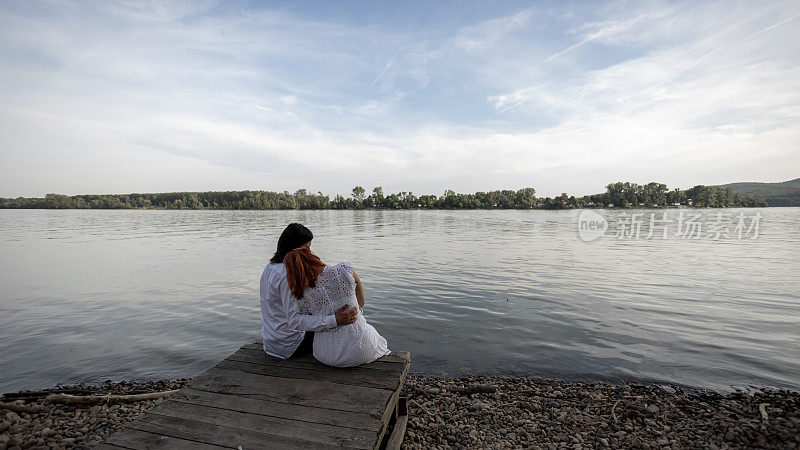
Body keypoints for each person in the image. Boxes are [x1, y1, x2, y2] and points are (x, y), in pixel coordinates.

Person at [259, 223, 358, 359]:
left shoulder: (270, 266)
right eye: (306, 248)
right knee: (337, 325)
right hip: (291, 345)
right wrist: (334, 320)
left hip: (271, 341)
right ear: (294, 250)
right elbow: (294, 320)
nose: (310, 252)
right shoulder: (287, 274)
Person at [284, 242, 390, 367]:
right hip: (360, 350)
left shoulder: (300, 294)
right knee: (371, 332)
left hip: (325, 355)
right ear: (312, 256)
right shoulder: (344, 270)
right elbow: (361, 303)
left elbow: (296, 321)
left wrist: (329, 317)